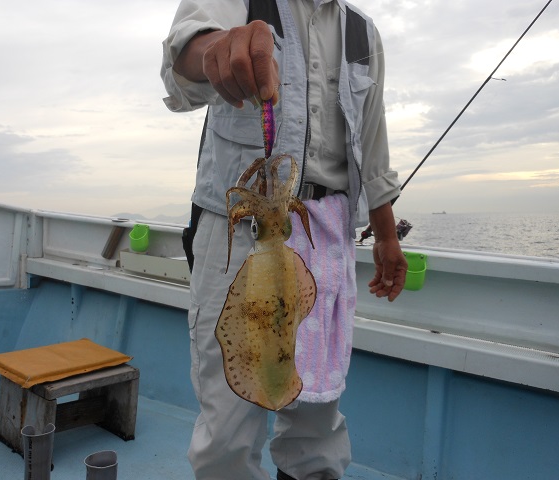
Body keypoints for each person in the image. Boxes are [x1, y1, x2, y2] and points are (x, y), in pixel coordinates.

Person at [161, 1, 407, 479]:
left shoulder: (363, 33)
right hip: (240, 233)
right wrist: (216, 47)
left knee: (318, 417)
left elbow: (372, 145)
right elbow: (183, 58)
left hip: (327, 235)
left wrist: (384, 238)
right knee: (228, 429)